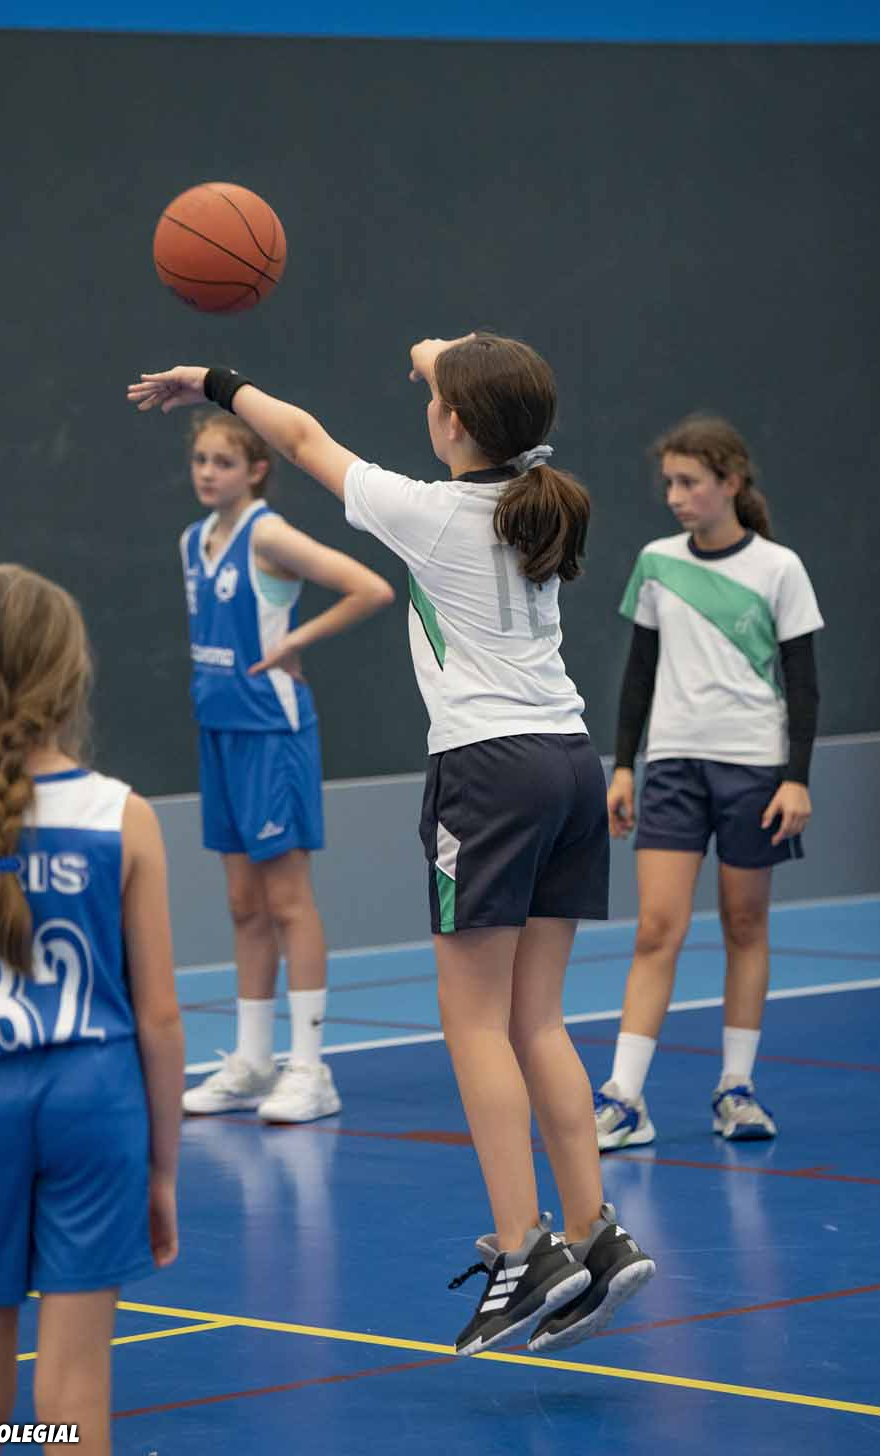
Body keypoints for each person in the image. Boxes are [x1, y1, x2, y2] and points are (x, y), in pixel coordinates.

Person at [128, 335, 655, 1358]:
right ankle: (595, 1229)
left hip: (489, 773)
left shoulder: (431, 511)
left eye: (437, 393)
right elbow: (457, 376)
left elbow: (301, 437)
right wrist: (445, 360)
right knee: (538, 1019)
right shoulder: (534, 499)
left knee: (474, 1024)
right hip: (568, 761)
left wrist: (216, 383)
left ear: (452, 420)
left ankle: (523, 1248)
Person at [0, 564, 183, 1455]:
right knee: (72, 1392)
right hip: (93, 1105)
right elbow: (160, 1021)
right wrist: (162, 1171)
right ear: (74, 673)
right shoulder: (123, 817)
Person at [596, 415, 823, 1150]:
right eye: (668, 482)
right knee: (655, 929)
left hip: (755, 770)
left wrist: (796, 779)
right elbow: (639, 673)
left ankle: (736, 1089)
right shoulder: (656, 562)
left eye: (689, 482)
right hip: (672, 769)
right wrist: (623, 765)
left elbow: (803, 685)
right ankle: (625, 1097)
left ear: (731, 482)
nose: (674, 496)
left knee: (744, 925)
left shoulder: (780, 569)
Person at [178, 410, 394, 1124]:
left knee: (288, 903)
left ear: (256, 470)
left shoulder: (266, 535)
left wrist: (295, 641)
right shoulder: (192, 541)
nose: (208, 472)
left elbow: (370, 588)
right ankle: (252, 1061)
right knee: (243, 905)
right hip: (220, 733)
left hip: (273, 734)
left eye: (223, 462)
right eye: (200, 460)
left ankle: (309, 1068)